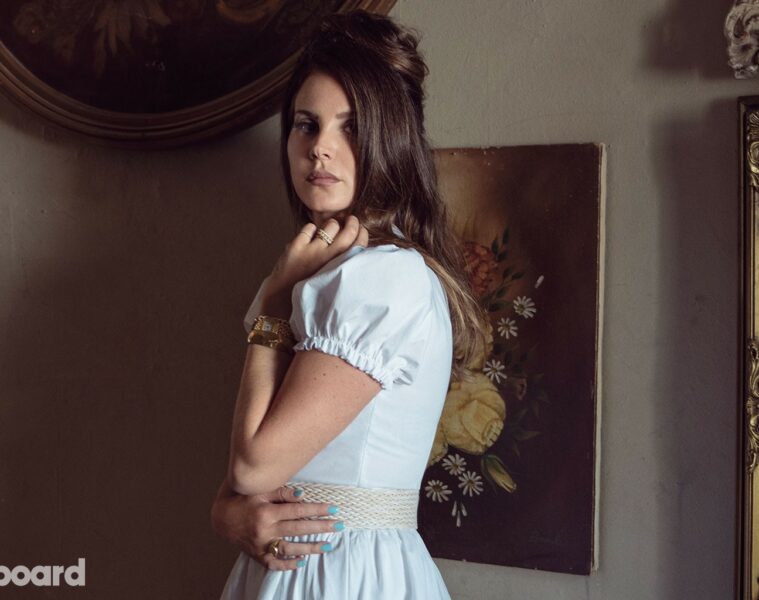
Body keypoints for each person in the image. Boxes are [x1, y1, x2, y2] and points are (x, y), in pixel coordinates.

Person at [211, 9, 488, 599]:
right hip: (297, 565)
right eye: (305, 125)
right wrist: (228, 514)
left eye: (351, 127)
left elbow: (253, 467)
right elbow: (245, 483)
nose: (320, 149)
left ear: (390, 140)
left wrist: (276, 300)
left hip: (341, 572)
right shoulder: (337, 275)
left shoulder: (380, 278)